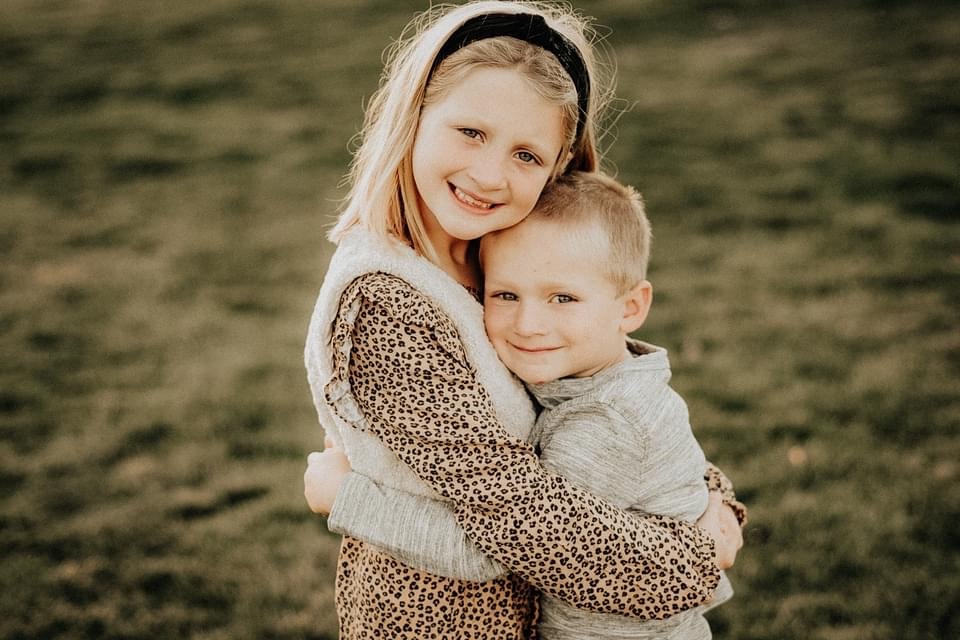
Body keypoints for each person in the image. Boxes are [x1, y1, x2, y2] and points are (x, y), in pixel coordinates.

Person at [303, 2, 745, 638]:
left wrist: (707, 493)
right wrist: (694, 558)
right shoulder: (386, 303)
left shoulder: (498, 255)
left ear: (557, 166)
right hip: (442, 622)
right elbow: (525, 526)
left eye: (527, 156)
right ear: (414, 116)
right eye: (470, 132)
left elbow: (602, 392)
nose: (489, 175)